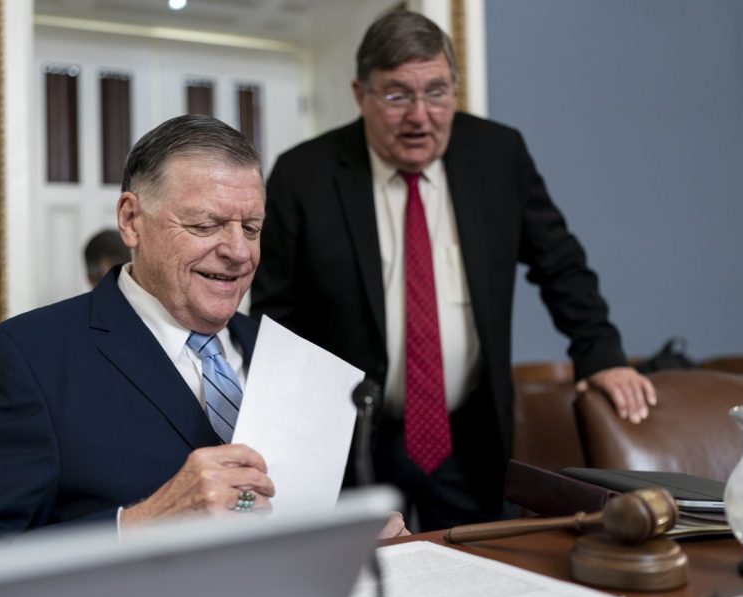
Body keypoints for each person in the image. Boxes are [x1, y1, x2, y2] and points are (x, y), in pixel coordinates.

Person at [250, 11, 657, 532]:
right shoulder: (304, 175)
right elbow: (276, 315)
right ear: (361, 93)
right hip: (349, 439)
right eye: (398, 95)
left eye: (438, 92)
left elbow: (560, 263)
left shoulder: (497, 155)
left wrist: (601, 355)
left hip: (466, 436)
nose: (421, 116)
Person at [0, 115, 406, 542]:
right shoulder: (28, 358)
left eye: (252, 228)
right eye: (206, 225)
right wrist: (139, 524)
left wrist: (354, 532)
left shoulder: (294, 359)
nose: (239, 252)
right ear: (131, 220)